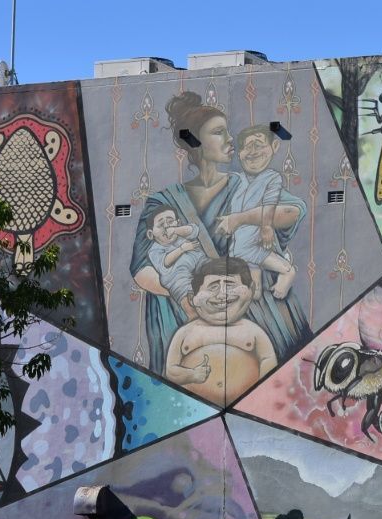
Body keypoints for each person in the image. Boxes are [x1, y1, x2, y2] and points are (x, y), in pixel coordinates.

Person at [129, 92, 310, 374]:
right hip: (186, 316)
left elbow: (292, 212)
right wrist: (200, 300)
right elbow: (142, 270)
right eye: (218, 132)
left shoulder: (245, 184)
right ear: (194, 141)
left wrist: (243, 218)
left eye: (228, 132)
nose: (230, 140)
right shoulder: (162, 202)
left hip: (257, 314)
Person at [166, 256, 277, 406]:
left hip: (245, 407)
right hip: (193, 409)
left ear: (250, 290)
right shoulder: (185, 333)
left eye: (230, 285)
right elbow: (171, 371)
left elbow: (268, 361)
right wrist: (191, 374)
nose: (222, 294)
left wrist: (260, 394)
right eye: (213, 286)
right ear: (193, 297)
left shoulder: (253, 332)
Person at [224, 126, 296, 300]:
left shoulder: (272, 177)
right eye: (247, 147)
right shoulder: (237, 179)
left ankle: (288, 271)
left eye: (258, 145)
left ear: (274, 147)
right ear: (239, 153)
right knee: (254, 289)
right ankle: (253, 291)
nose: (253, 151)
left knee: (246, 252)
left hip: (251, 237)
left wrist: (266, 227)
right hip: (240, 236)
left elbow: (270, 203)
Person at [145, 205, 206, 318]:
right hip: (176, 276)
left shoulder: (181, 233)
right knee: (188, 301)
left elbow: (194, 229)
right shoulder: (154, 250)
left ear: (178, 222)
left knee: (212, 269)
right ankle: (194, 317)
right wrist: (182, 249)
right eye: (161, 225)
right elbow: (165, 263)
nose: (167, 227)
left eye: (170, 221)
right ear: (150, 233)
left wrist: (176, 230)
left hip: (199, 261)